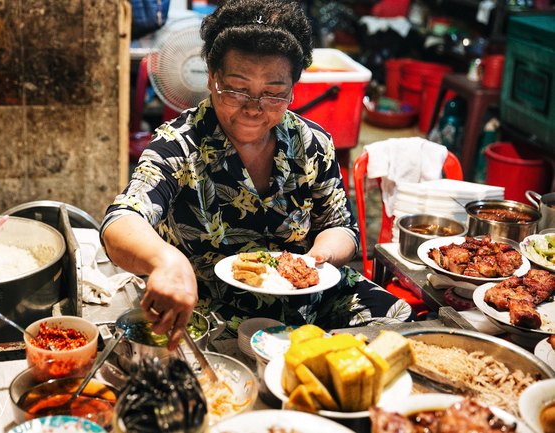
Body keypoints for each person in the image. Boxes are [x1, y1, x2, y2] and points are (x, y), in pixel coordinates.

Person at [101, 0, 415, 350]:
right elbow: (122, 220)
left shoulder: (312, 143)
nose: (253, 108)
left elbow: (342, 228)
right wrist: (166, 261)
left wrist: (317, 258)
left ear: (293, 88)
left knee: (398, 323)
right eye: (235, 89)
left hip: (305, 296)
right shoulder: (178, 145)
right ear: (210, 76)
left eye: (274, 94)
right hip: (212, 306)